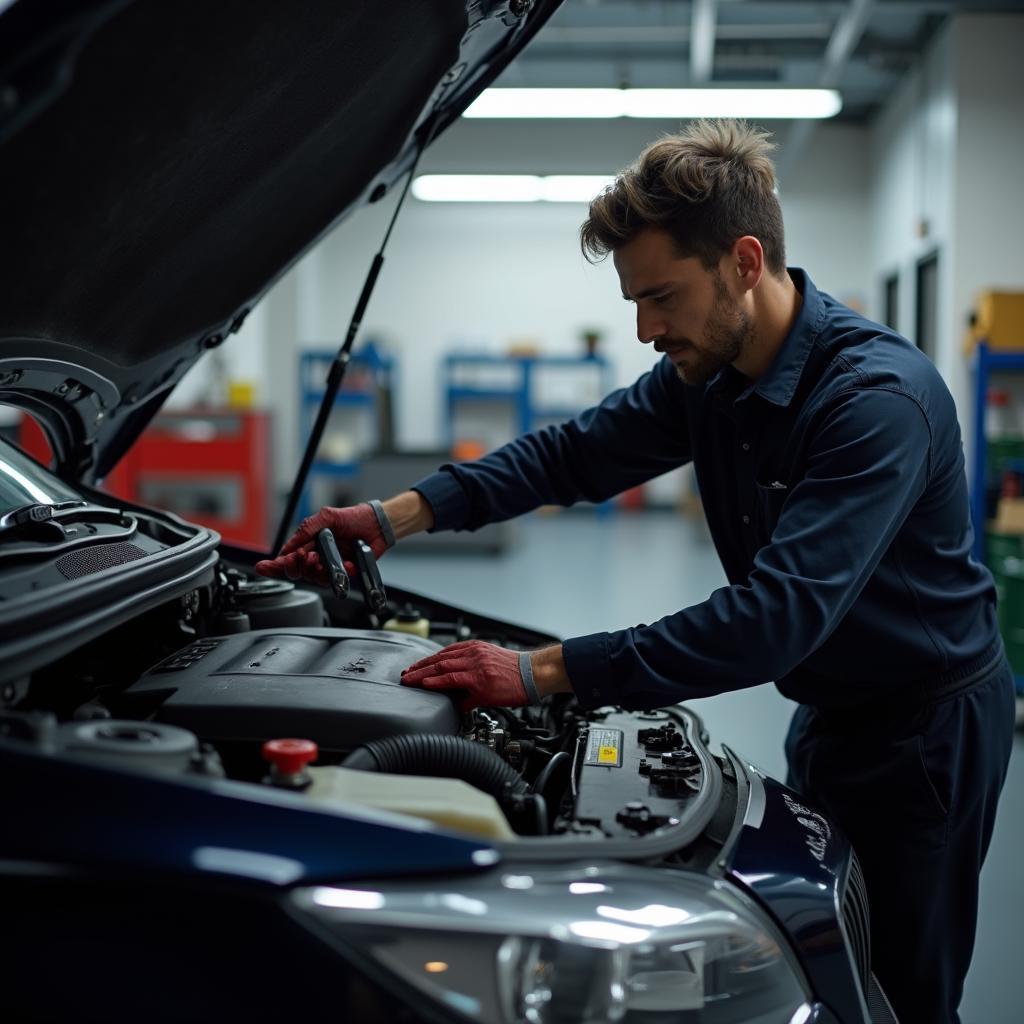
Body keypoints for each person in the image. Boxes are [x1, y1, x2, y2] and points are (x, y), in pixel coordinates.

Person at [257, 120, 1014, 1024]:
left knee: (907, 992)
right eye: (633, 302)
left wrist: (539, 670)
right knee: (840, 964)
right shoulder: (708, 373)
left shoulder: (875, 404)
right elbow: (572, 455)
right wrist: (396, 516)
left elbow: (772, 618)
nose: (647, 329)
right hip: (833, 707)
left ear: (743, 261)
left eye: (662, 296)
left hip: (926, 733)